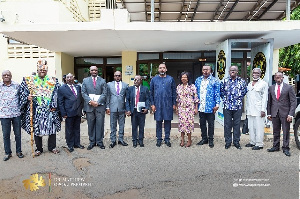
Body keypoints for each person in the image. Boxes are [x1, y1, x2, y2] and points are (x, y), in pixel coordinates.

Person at [20, 59, 61, 156]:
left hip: (49, 110)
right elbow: (22, 93)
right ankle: (39, 149)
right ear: (37, 70)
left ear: (47, 71)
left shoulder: (53, 80)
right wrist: (27, 97)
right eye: (40, 70)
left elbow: (58, 94)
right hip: (36, 110)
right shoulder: (30, 81)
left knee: (52, 129)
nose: (42, 71)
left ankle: (52, 147)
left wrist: (55, 106)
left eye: (44, 70)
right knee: (37, 129)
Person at [267, 71, 296, 156]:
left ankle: (286, 148)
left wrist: (291, 114)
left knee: (286, 131)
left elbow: (293, 101)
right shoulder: (271, 88)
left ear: (283, 78)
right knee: (276, 131)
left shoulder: (289, 88)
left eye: (280, 77)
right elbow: (269, 102)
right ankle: (275, 146)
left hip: (286, 113)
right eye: (277, 77)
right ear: (274, 78)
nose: (278, 78)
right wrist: (269, 113)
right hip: (274, 112)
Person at [220, 65, 247, 149]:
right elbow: (221, 92)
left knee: (237, 124)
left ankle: (236, 141)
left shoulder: (242, 81)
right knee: (227, 125)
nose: (232, 71)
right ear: (229, 71)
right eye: (231, 70)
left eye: (234, 70)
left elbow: (244, 91)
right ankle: (228, 142)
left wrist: (237, 99)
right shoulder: (224, 81)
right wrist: (227, 99)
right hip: (227, 106)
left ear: (237, 72)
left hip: (237, 107)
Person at [150, 63, 176, 147]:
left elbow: (174, 92)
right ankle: (159, 139)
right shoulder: (154, 80)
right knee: (158, 122)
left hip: (168, 104)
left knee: (168, 122)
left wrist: (174, 103)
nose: (162, 69)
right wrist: (152, 104)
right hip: (158, 104)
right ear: (158, 69)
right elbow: (151, 93)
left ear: (166, 69)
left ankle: (167, 139)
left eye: (163, 68)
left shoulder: (170, 79)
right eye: (160, 68)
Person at [0, 70, 24, 161]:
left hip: (16, 114)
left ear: (11, 76)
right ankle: (7, 153)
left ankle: (19, 151)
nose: (6, 76)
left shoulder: (17, 85)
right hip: (4, 115)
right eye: (4, 75)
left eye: (8, 75)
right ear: (2, 77)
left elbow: (22, 97)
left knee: (17, 134)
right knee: (6, 135)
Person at [195, 65, 220, 148]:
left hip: (210, 107)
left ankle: (211, 139)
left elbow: (217, 94)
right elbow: (195, 93)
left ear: (211, 70)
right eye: (204, 69)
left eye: (207, 69)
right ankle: (204, 138)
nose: (205, 71)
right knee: (202, 124)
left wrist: (217, 105)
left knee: (211, 124)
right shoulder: (198, 80)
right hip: (201, 106)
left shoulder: (214, 80)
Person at [81, 66, 107, 150]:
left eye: (95, 70)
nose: (94, 71)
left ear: (97, 71)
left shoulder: (102, 81)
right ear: (90, 71)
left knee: (100, 125)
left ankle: (99, 142)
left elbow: (104, 93)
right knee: (91, 125)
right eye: (92, 70)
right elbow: (83, 92)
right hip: (89, 107)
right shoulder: (85, 80)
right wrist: (90, 102)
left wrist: (97, 102)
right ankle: (92, 142)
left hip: (100, 107)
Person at [58, 73, 84, 152]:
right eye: (68, 77)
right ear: (65, 79)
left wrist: (81, 109)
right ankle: (70, 144)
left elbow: (80, 99)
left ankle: (77, 143)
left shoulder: (78, 87)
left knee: (77, 128)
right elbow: (60, 102)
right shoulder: (62, 88)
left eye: (71, 77)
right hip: (68, 112)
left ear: (74, 78)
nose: (69, 79)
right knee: (69, 130)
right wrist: (63, 113)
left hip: (78, 112)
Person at [245, 68, 268, 150]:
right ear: (252, 74)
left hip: (259, 110)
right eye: (254, 73)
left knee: (259, 127)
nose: (255, 74)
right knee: (251, 127)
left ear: (260, 74)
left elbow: (265, 98)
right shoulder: (250, 84)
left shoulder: (263, 84)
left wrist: (263, 110)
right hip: (250, 109)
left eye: (257, 73)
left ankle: (259, 144)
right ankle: (252, 142)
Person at [125, 75, 150, 147]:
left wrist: (147, 108)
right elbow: (127, 100)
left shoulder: (145, 89)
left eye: (137, 80)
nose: (135, 81)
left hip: (142, 110)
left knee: (141, 126)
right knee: (134, 126)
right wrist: (128, 110)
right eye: (135, 80)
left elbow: (147, 99)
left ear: (141, 81)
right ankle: (134, 140)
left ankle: (141, 140)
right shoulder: (130, 89)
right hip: (134, 110)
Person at [176, 71, 199, 147]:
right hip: (181, 108)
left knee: (189, 125)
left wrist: (196, 108)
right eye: (182, 77)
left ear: (188, 78)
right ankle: (182, 140)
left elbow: (196, 98)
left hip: (189, 108)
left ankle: (189, 140)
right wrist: (176, 108)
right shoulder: (179, 86)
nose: (184, 79)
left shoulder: (192, 86)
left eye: (185, 77)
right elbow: (177, 98)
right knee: (181, 124)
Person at [106, 71, 129, 148]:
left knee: (122, 125)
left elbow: (127, 98)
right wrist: (107, 107)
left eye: (119, 76)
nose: (117, 77)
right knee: (113, 125)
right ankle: (113, 140)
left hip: (122, 108)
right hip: (112, 108)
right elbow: (108, 96)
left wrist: (127, 108)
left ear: (121, 76)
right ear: (114, 76)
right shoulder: (109, 85)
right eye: (116, 76)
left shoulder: (125, 85)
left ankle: (121, 139)